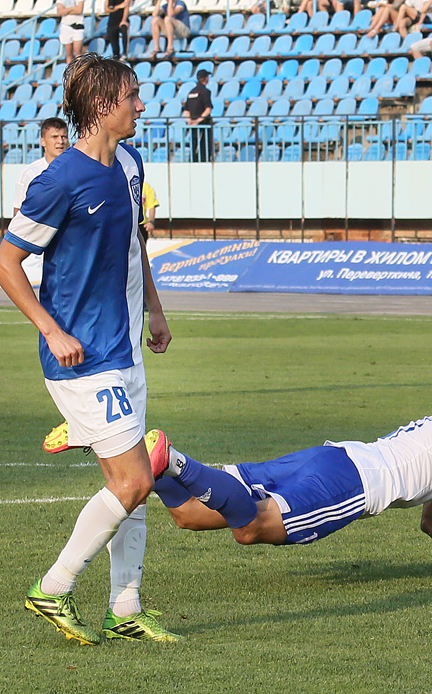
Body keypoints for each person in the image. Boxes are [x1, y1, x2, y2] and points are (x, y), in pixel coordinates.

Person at [0, 54, 177, 645]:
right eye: (133, 95)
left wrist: (153, 305)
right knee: (131, 481)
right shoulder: (59, 179)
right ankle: (52, 588)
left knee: (136, 482)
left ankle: (124, 606)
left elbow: (134, 243)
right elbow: (6, 261)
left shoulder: (130, 162)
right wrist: (51, 329)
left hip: (126, 349)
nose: (141, 105)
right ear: (103, 104)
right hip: (81, 358)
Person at [144, 364, 432, 588]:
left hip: (334, 458)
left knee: (190, 515)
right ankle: (176, 460)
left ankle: (153, 463)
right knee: (251, 529)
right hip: (351, 483)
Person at [13, 118, 69, 216]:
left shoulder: (76, 170)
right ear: (42, 141)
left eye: (63, 137)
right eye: (54, 137)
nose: (60, 141)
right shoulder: (30, 173)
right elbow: (18, 212)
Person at [183, 69, 213, 163]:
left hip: (192, 125)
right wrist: (198, 121)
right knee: (204, 147)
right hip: (203, 124)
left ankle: (193, 161)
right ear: (206, 78)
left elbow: (186, 109)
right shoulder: (205, 91)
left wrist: (190, 121)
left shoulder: (191, 92)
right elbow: (208, 109)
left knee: (193, 145)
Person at [57, 0, 86, 64]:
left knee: (78, 52)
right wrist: (72, 8)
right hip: (66, 26)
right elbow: (59, 12)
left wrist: (66, 10)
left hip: (78, 26)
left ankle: (79, 70)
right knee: (69, 53)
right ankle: (70, 71)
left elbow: (79, 10)